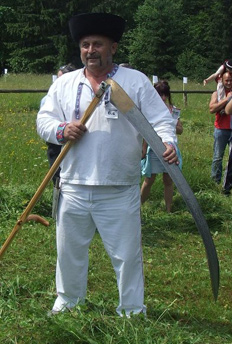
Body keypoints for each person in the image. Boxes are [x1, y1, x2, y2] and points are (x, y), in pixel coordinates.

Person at [36, 13, 178, 317]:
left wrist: (168, 143)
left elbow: (160, 120)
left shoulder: (133, 81)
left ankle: (131, 309)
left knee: (127, 255)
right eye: (85, 45)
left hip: (119, 186)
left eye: (97, 44)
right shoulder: (65, 84)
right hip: (73, 184)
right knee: (69, 252)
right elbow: (43, 120)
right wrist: (62, 130)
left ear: (112, 47)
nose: (90, 50)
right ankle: (68, 301)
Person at [140, 80, 183, 212]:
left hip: (171, 146)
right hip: (154, 147)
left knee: (168, 180)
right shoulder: (149, 110)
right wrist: (143, 148)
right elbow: (146, 130)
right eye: (160, 94)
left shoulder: (173, 110)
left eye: (165, 94)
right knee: (149, 179)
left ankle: (169, 209)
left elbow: (180, 130)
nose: (163, 98)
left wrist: (175, 124)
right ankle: (137, 207)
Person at [42, 63, 77, 186]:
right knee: (57, 178)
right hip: (56, 145)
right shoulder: (49, 98)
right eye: (58, 78)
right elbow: (44, 122)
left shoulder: (79, 96)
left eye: (63, 78)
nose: (60, 81)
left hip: (75, 145)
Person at [208, 71, 232, 184]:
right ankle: (215, 179)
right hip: (221, 128)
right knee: (218, 156)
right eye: (226, 80)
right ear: (222, 81)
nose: (228, 82)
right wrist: (227, 99)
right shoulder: (217, 93)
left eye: (231, 80)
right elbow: (212, 109)